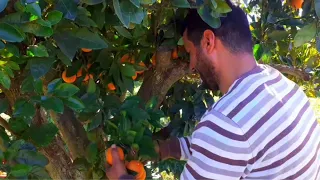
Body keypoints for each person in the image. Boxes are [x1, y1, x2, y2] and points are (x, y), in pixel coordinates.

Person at [106, 1, 320, 179]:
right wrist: (167, 149)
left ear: (208, 41)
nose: (190, 65)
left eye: (190, 52)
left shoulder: (227, 123)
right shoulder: (281, 85)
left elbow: (226, 140)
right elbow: (227, 149)